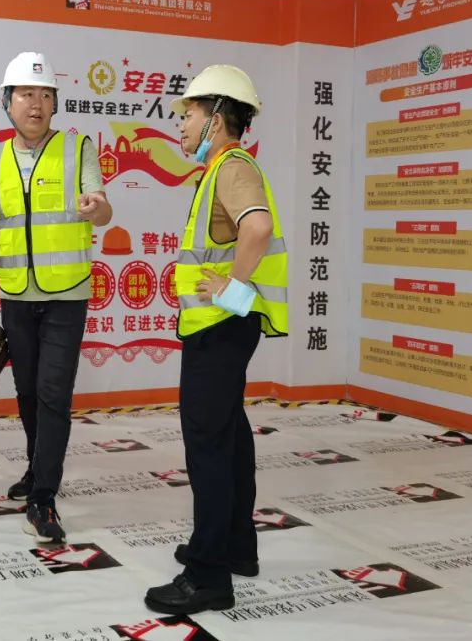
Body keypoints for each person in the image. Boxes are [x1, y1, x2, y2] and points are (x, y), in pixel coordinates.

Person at [144, 65, 288, 615]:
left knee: (207, 445)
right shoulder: (220, 169)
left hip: (219, 327)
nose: (181, 124)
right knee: (229, 437)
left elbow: (258, 227)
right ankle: (235, 547)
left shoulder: (232, 167)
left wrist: (234, 286)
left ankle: (207, 576)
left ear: (217, 117)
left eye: (189, 114)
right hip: (224, 326)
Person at [0, 52, 112, 544]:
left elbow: (103, 208)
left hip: (67, 295)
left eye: (46, 95)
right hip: (16, 296)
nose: (37, 104)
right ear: (7, 102)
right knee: (27, 392)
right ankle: (35, 467)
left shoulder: (77, 148)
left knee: (53, 393)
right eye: (27, 94)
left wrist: (97, 207)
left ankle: (44, 497)